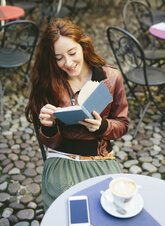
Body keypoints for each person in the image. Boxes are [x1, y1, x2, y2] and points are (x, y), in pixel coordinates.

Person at [25, 18, 129, 211]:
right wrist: (49, 127)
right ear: (51, 59)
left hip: (101, 157)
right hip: (62, 158)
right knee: (67, 208)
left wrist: (103, 126)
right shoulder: (48, 83)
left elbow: (122, 124)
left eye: (72, 53)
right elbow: (51, 144)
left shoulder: (111, 78)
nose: (68, 63)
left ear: (83, 46)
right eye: (59, 58)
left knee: (110, 207)